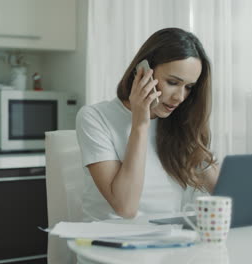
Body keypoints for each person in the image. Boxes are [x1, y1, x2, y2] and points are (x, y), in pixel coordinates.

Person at [76, 27, 219, 221]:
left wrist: (193, 141)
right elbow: (126, 208)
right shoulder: (95, 117)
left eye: (189, 87)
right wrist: (140, 124)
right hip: (110, 244)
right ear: (142, 72)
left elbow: (224, 196)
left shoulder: (178, 124)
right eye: (172, 82)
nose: (180, 97)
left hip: (170, 242)